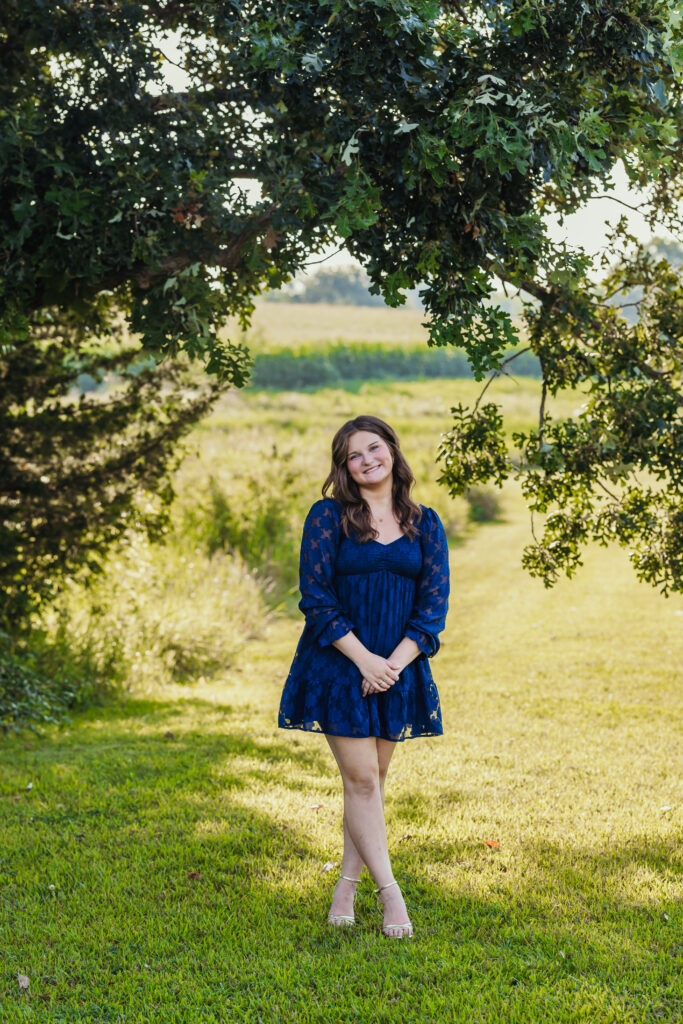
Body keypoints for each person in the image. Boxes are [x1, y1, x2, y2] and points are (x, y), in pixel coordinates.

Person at [278, 415, 450, 939]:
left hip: (397, 671)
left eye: (374, 448)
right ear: (345, 468)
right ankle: (390, 894)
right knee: (361, 780)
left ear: (392, 451)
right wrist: (364, 662)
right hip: (339, 666)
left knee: (371, 783)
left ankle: (345, 887)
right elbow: (316, 598)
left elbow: (432, 609)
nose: (366, 460)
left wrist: (391, 665)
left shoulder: (425, 523)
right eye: (354, 455)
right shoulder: (328, 517)